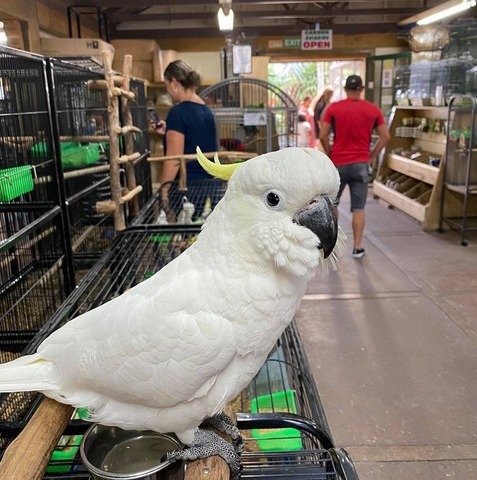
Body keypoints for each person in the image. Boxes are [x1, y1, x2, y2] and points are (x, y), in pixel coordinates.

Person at [319, 75, 390, 259]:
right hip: (361, 164)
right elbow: (385, 137)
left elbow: (323, 134)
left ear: (345, 88)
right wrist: (371, 156)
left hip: (339, 163)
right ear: (362, 88)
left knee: (333, 205)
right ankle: (357, 247)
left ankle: (331, 247)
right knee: (358, 208)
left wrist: (330, 154)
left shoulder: (334, 108)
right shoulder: (372, 110)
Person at [158, 60, 218, 221]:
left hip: (186, 188)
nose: (168, 92)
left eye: (167, 85)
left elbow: (174, 159)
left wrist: (163, 191)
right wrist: (167, 132)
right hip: (209, 187)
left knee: (183, 239)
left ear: (175, 82)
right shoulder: (206, 111)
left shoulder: (177, 113)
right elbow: (196, 139)